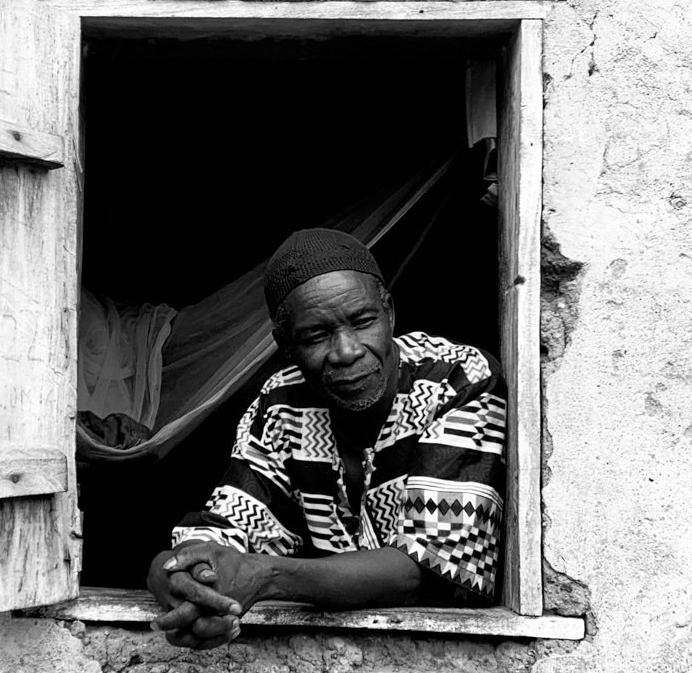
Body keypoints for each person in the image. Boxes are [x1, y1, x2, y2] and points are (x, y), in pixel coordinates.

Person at [146, 228, 506, 647]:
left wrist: (268, 577)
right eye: (316, 336)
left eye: (363, 321)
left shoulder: (458, 379)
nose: (346, 351)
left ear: (390, 312)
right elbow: (227, 529)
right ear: (285, 344)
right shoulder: (282, 403)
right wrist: (185, 579)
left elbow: (428, 569)